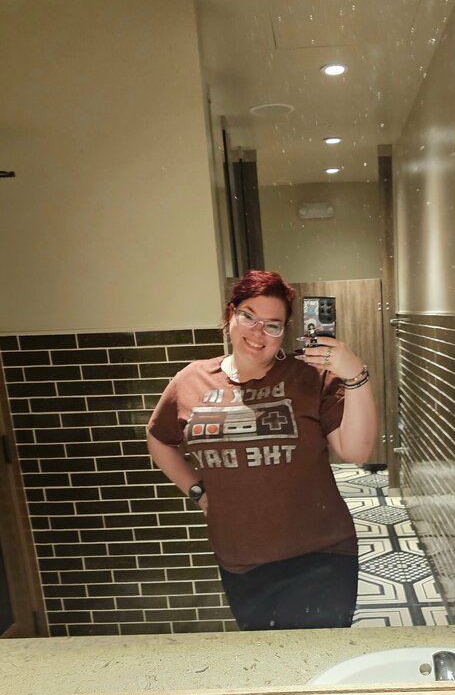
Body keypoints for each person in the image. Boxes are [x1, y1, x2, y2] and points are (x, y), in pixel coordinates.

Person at [146, 269, 377, 630]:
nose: (258, 332)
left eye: (272, 325)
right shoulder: (190, 381)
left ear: (284, 332)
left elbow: (357, 451)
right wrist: (197, 491)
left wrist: (355, 376)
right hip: (240, 560)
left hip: (321, 554)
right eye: (248, 316)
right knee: (267, 656)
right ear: (230, 315)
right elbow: (159, 437)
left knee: (316, 656)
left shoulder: (310, 377)